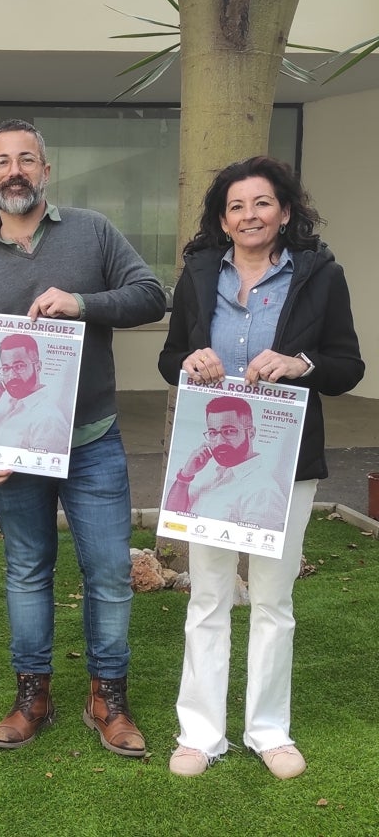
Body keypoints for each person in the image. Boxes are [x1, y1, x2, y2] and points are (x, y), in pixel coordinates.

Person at [0, 119, 166, 757]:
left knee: (107, 572)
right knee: (26, 570)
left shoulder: (93, 233)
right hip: (13, 453)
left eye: (26, 159)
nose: (13, 171)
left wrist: (83, 303)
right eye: (0, 162)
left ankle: (108, 699)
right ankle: (32, 695)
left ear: (47, 169)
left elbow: (153, 296)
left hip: (91, 440)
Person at [158, 156, 364, 780]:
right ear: (222, 218)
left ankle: (269, 730)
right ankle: (200, 732)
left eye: (262, 203)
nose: (250, 216)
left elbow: (347, 365)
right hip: (209, 458)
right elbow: (170, 359)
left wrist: (302, 363)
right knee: (209, 596)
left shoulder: (321, 276)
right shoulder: (197, 274)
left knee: (273, 600)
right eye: (237, 207)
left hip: (285, 458)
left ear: (286, 210)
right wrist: (190, 362)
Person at [163, 396, 289, 531]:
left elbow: (258, 547)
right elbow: (172, 522)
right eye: (213, 433)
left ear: (251, 433)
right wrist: (185, 476)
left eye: (229, 431)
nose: (219, 442)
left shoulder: (262, 491)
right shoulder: (209, 475)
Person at [0, 332, 69, 453]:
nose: (12, 375)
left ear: (38, 367)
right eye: (6, 368)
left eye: (19, 366)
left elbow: (43, 468)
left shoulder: (48, 418)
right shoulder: (4, 405)